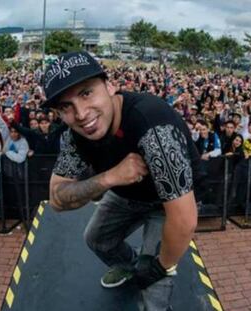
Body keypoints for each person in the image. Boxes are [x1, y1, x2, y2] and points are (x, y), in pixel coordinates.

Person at [43, 51, 199, 310]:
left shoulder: (152, 125)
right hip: (125, 194)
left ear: (110, 86)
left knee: (153, 294)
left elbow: (184, 220)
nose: (81, 114)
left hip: (166, 203)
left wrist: (158, 268)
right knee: (96, 239)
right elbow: (57, 199)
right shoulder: (75, 136)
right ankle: (130, 265)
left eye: (86, 93)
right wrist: (110, 176)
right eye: (65, 107)